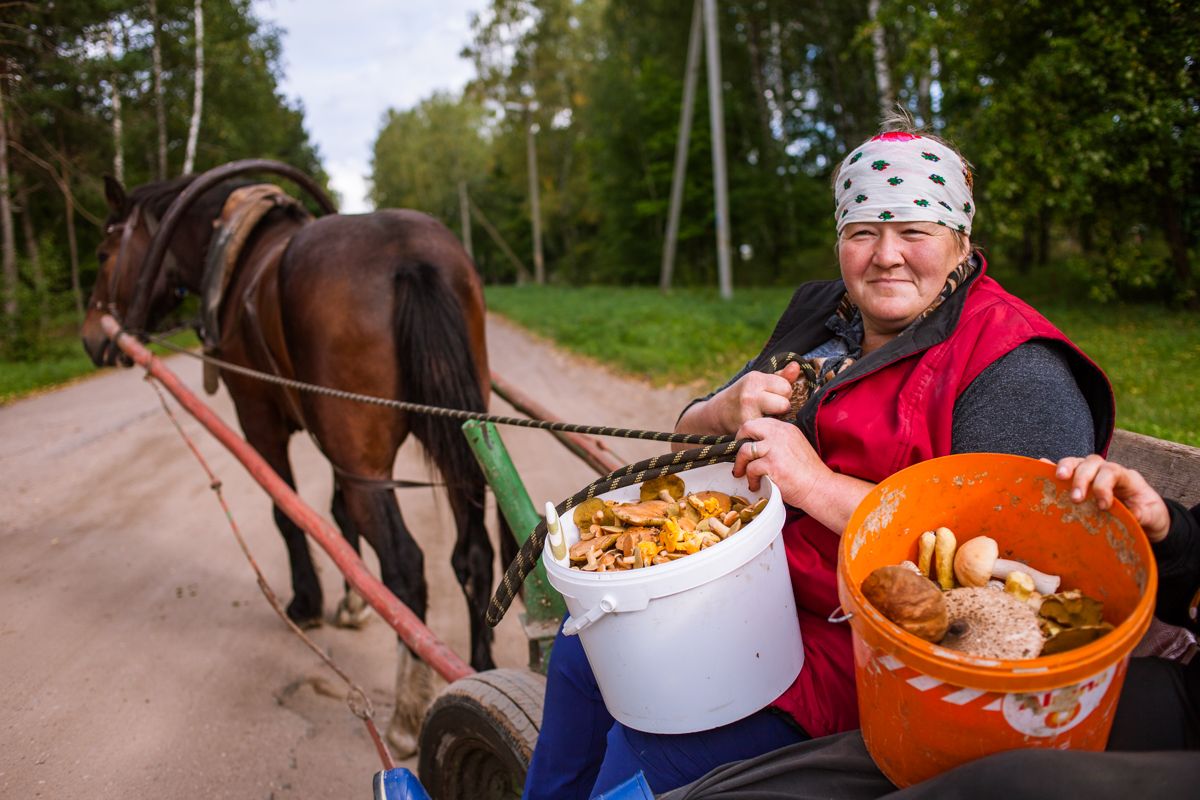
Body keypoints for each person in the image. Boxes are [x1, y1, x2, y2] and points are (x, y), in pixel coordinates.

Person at [522, 114, 1115, 800]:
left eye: (914, 231)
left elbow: (1016, 578)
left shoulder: (1016, 369)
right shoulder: (825, 314)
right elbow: (689, 447)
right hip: (763, 591)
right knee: (580, 650)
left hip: (875, 650)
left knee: (651, 740)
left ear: (960, 240)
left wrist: (819, 485)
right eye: (863, 231)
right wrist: (724, 406)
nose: (886, 255)